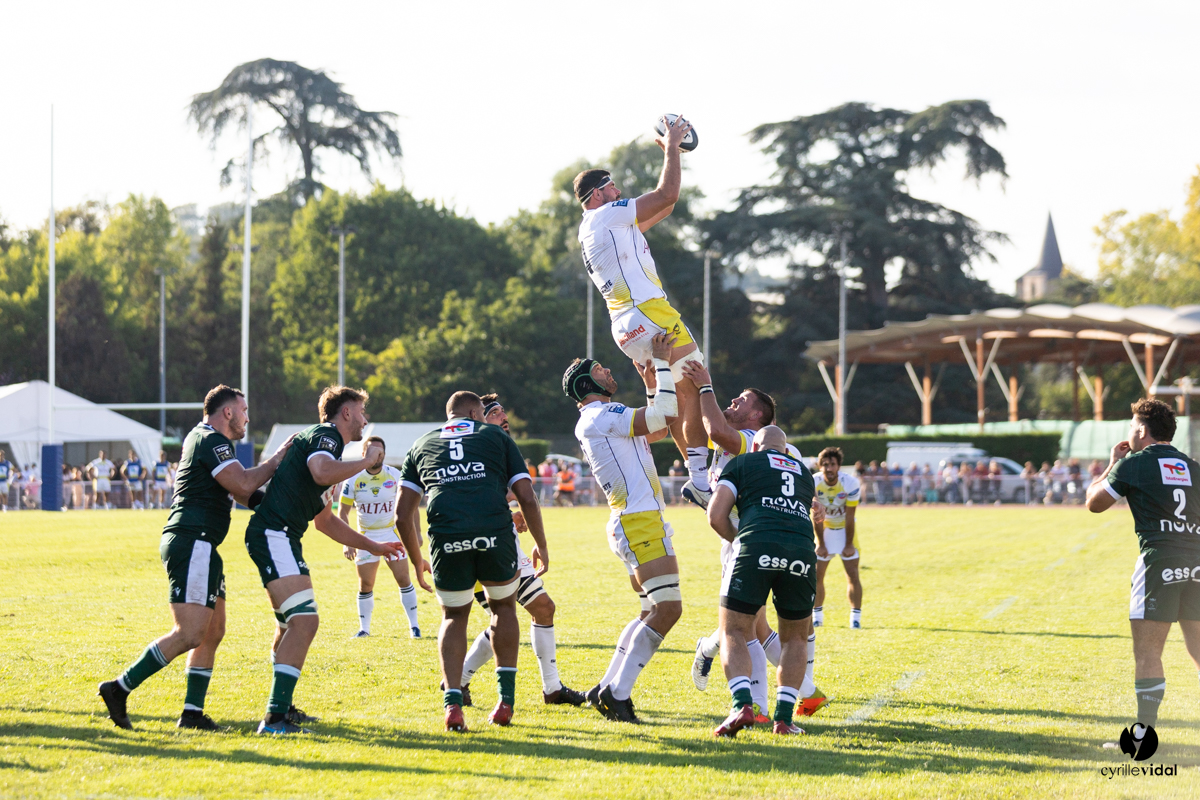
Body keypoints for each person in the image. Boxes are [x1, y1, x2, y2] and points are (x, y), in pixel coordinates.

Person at [97, 385, 291, 731]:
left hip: (204, 544)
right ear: (227, 412)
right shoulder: (211, 440)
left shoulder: (208, 441)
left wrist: (286, 503)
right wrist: (278, 459)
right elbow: (244, 485)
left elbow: (242, 493)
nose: (247, 417)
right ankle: (119, 687)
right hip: (193, 541)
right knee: (189, 633)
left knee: (213, 631)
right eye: (244, 410)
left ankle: (191, 713)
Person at [243, 385, 403, 735]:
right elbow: (319, 471)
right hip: (274, 534)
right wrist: (366, 462)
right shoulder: (327, 437)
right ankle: (273, 720)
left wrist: (373, 547)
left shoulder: (326, 446)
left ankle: (281, 708)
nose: (365, 419)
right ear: (345, 413)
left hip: (282, 535)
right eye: (361, 411)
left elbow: (325, 521)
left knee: (288, 626)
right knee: (305, 621)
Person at [573, 116, 713, 509]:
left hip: (625, 327)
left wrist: (673, 155)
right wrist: (672, 144)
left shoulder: (595, 226)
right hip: (648, 311)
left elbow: (663, 209)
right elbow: (666, 194)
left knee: (679, 398)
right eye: (612, 187)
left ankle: (699, 478)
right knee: (698, 389)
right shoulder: (606, 214)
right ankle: (702, 479)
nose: (619, 192)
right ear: (598, 195)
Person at [394, 391, 548, 732]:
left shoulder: (421, 444)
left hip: (447, 536)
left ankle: (452, 706)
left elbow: (402, 514)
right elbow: (527, 496)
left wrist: (417, 558)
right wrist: (540, 544)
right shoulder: (494, 435)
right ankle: (505, 702)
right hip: (494, 532)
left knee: (453, 616)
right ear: (474, 413)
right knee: (504, 608)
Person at [680, 361, 825, 720]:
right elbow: (693, 428)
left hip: (750, 537)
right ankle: (795, 694)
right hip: (746, 537)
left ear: (758, 416)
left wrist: (705, 386)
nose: (734, 401)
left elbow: (716, 430)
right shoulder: (746, 446)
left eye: (742, 400)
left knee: (748, 627)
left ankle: (757, 699)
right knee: (752, 626)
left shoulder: (748, 442)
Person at [566, 332, 683, 723]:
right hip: (637, 520)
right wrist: (664, 363)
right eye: (601, 369)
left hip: (638, 518)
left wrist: (651, 388)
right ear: (587, 384)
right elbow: (667, 416)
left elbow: (658, 430)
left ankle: (608, 687)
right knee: (668, 609)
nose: (610, 370)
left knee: (652, 609)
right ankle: (617, 694)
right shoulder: (601, 415)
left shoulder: (602, 417)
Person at [458, 394, 586, 709]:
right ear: (477, 418)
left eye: (504, 411)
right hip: (480, 548)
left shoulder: (503, 449)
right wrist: (510, 511)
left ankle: (552, 689)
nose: (503, 416)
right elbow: (470, 496)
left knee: (543, 608)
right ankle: (458, 680)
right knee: (503, 621)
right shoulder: (470, 449)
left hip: (506, 544)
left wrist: (508, 513)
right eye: (494, 412)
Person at [1086, 398, 1200, 730]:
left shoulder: (1134, 463)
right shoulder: (1193, 467)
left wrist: (1112, 463)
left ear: (1141, 429)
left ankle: (1144, 736)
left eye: (1131, 426)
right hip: (1197, 564)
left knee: (1149, 654)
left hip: (1159, 564)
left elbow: (1094, 504)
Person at [707, 426, 821, 737]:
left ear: (754, 446)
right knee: (795, 638)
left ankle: (742, 705)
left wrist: (742, 541)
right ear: (785, 451)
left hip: (756, 546)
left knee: (734, 630)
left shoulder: (742, 462)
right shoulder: (803, 472)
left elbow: (716, 516)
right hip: (801, 550)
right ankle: (784, 719)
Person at [338, 436, 422, 639]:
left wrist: (417, 533)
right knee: (365, 584)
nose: (378, 455)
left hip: (391, 534)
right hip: (365, 537)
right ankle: (364, 629)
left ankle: (414, 627)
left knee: (403, 579)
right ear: (363, 454)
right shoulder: (353, 478)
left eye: (381, 452)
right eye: (373, 451)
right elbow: (342, 512)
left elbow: (411, 507)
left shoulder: (395, 475)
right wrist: (347, 543)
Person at [812, 447, 864, 630]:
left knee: (853, 575)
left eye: (832, 464)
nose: (828, 468)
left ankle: (855, 619)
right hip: (824, 529)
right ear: (820, 467)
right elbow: (816, 516)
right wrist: (821, 544)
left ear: (839, 466)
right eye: (824, 465)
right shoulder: (814, 482)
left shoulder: (850, 483)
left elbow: (850, 517)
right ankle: (817, 616)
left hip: (845, 530)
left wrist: (848, 544)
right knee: (817, 575)